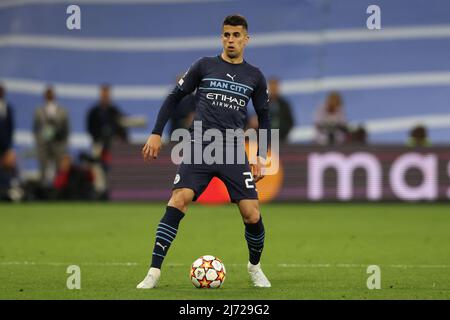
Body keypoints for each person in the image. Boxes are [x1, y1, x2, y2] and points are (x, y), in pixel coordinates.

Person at [138, 14, 272, 289]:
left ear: (246, 39)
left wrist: (261, 155)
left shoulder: (255, 76)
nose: (231, 40)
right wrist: (155, 132)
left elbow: (265, 117)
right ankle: (153, 272)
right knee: (178, 200)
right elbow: (174, 97)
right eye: (226, 35)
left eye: (236, 35)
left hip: (233, 151)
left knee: (252, 214)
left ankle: (255, 267)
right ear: (221, 37)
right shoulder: (204, 66)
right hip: (200, 146)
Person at [86, 84, 127, 199]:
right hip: (98, 143)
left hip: (111, 145)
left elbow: (121, 126)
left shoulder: (114, 110)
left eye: (107, 94)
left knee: (112, 167)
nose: (105, 96)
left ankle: (112, 191)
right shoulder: (94, 111)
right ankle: (99, 190)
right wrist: (98, 137)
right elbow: (90, 128)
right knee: (97, 167)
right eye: (103, 94)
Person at [33, 86, 69, 187]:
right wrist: (39, 141)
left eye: (51, 93)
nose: (49, 96)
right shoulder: (38, 111)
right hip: (43, 145)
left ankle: (58, 191)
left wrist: (64, 144)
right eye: (47, 93)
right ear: (44, 96)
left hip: (58, 145)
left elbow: (67, 129)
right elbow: (35, 128)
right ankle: (41, 192)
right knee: (43, 169)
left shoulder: (63, 111)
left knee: (59, 170)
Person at [0, 85, 14, 160]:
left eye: (2, 92)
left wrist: (9, 142)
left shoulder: (8, 108)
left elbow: (11, 126)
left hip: (5, 143)